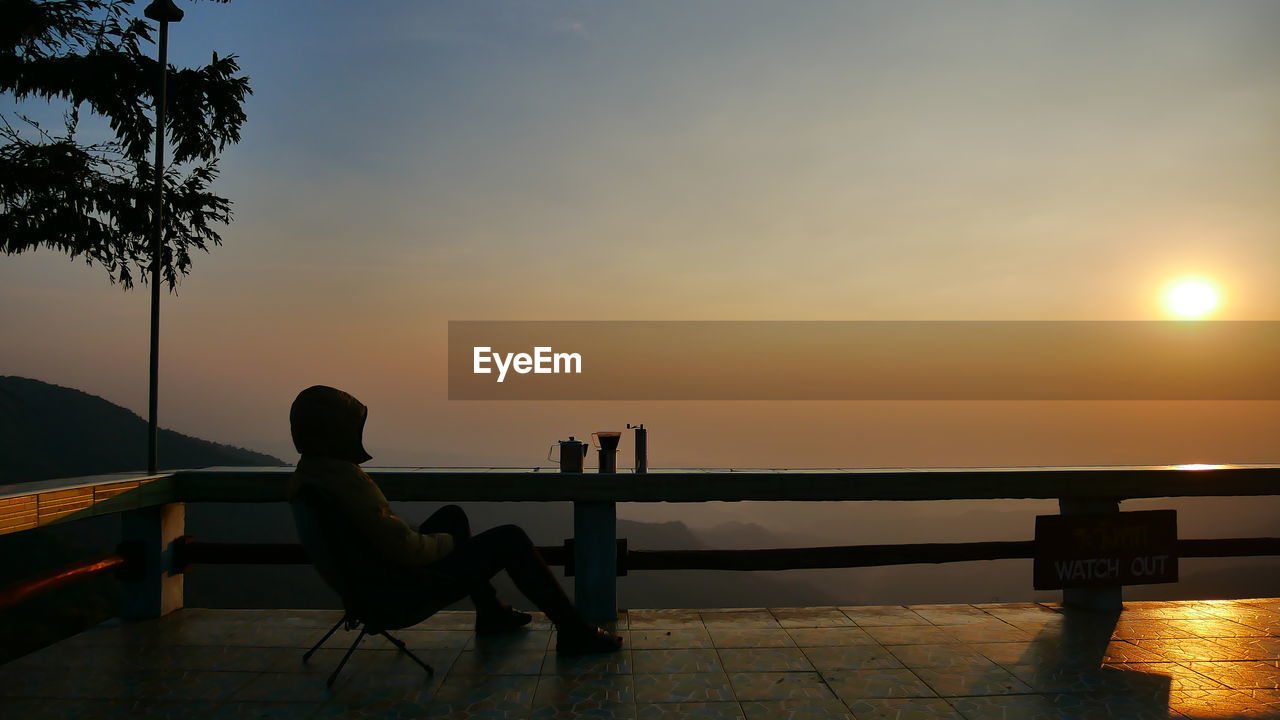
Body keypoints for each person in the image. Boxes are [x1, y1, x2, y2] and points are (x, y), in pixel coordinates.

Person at [286, 384, 622, 654]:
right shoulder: (344, 480)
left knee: (452, 515)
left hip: (372, 585)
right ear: (333, 430)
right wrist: (447, 543)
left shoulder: (312, 476)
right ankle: (572, 630)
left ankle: (490, 613)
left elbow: (382, 537)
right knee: (510, 538)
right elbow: (405, 548)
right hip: (400, 591)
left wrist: (437, 539)